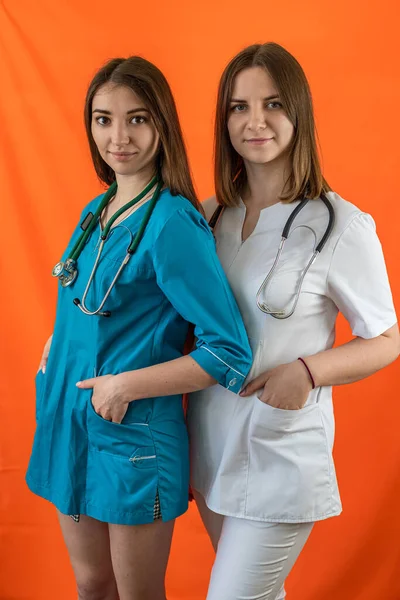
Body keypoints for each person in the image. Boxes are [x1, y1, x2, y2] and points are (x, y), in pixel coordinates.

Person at [26, 56, 252, 600]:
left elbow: (229, 352)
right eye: (103, 119)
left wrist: (125, 385)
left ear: (162, 126)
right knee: (90, 583)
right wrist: (62, 340)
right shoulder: (96, 210)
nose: (118, 136)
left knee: (137, 595)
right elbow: (95, 304)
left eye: (137, 118)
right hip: (69, 421)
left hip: (132, 436)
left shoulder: (173, 223)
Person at [188, 42, 399, 600]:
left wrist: (306, 372)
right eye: (238, 107)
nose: (254, 121)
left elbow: (386, 339)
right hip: (210, 448)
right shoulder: (208, 216)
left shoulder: (342, 225)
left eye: (273, 104)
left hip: (278, 453)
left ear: (299, 113)